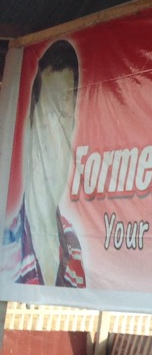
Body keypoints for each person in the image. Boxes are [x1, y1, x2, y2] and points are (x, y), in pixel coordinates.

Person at [2, 40, 85, 288]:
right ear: (31, 122)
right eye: (50, 117)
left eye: (65, 119)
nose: (56, 142)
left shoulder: (73, 247)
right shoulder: (7, 249)